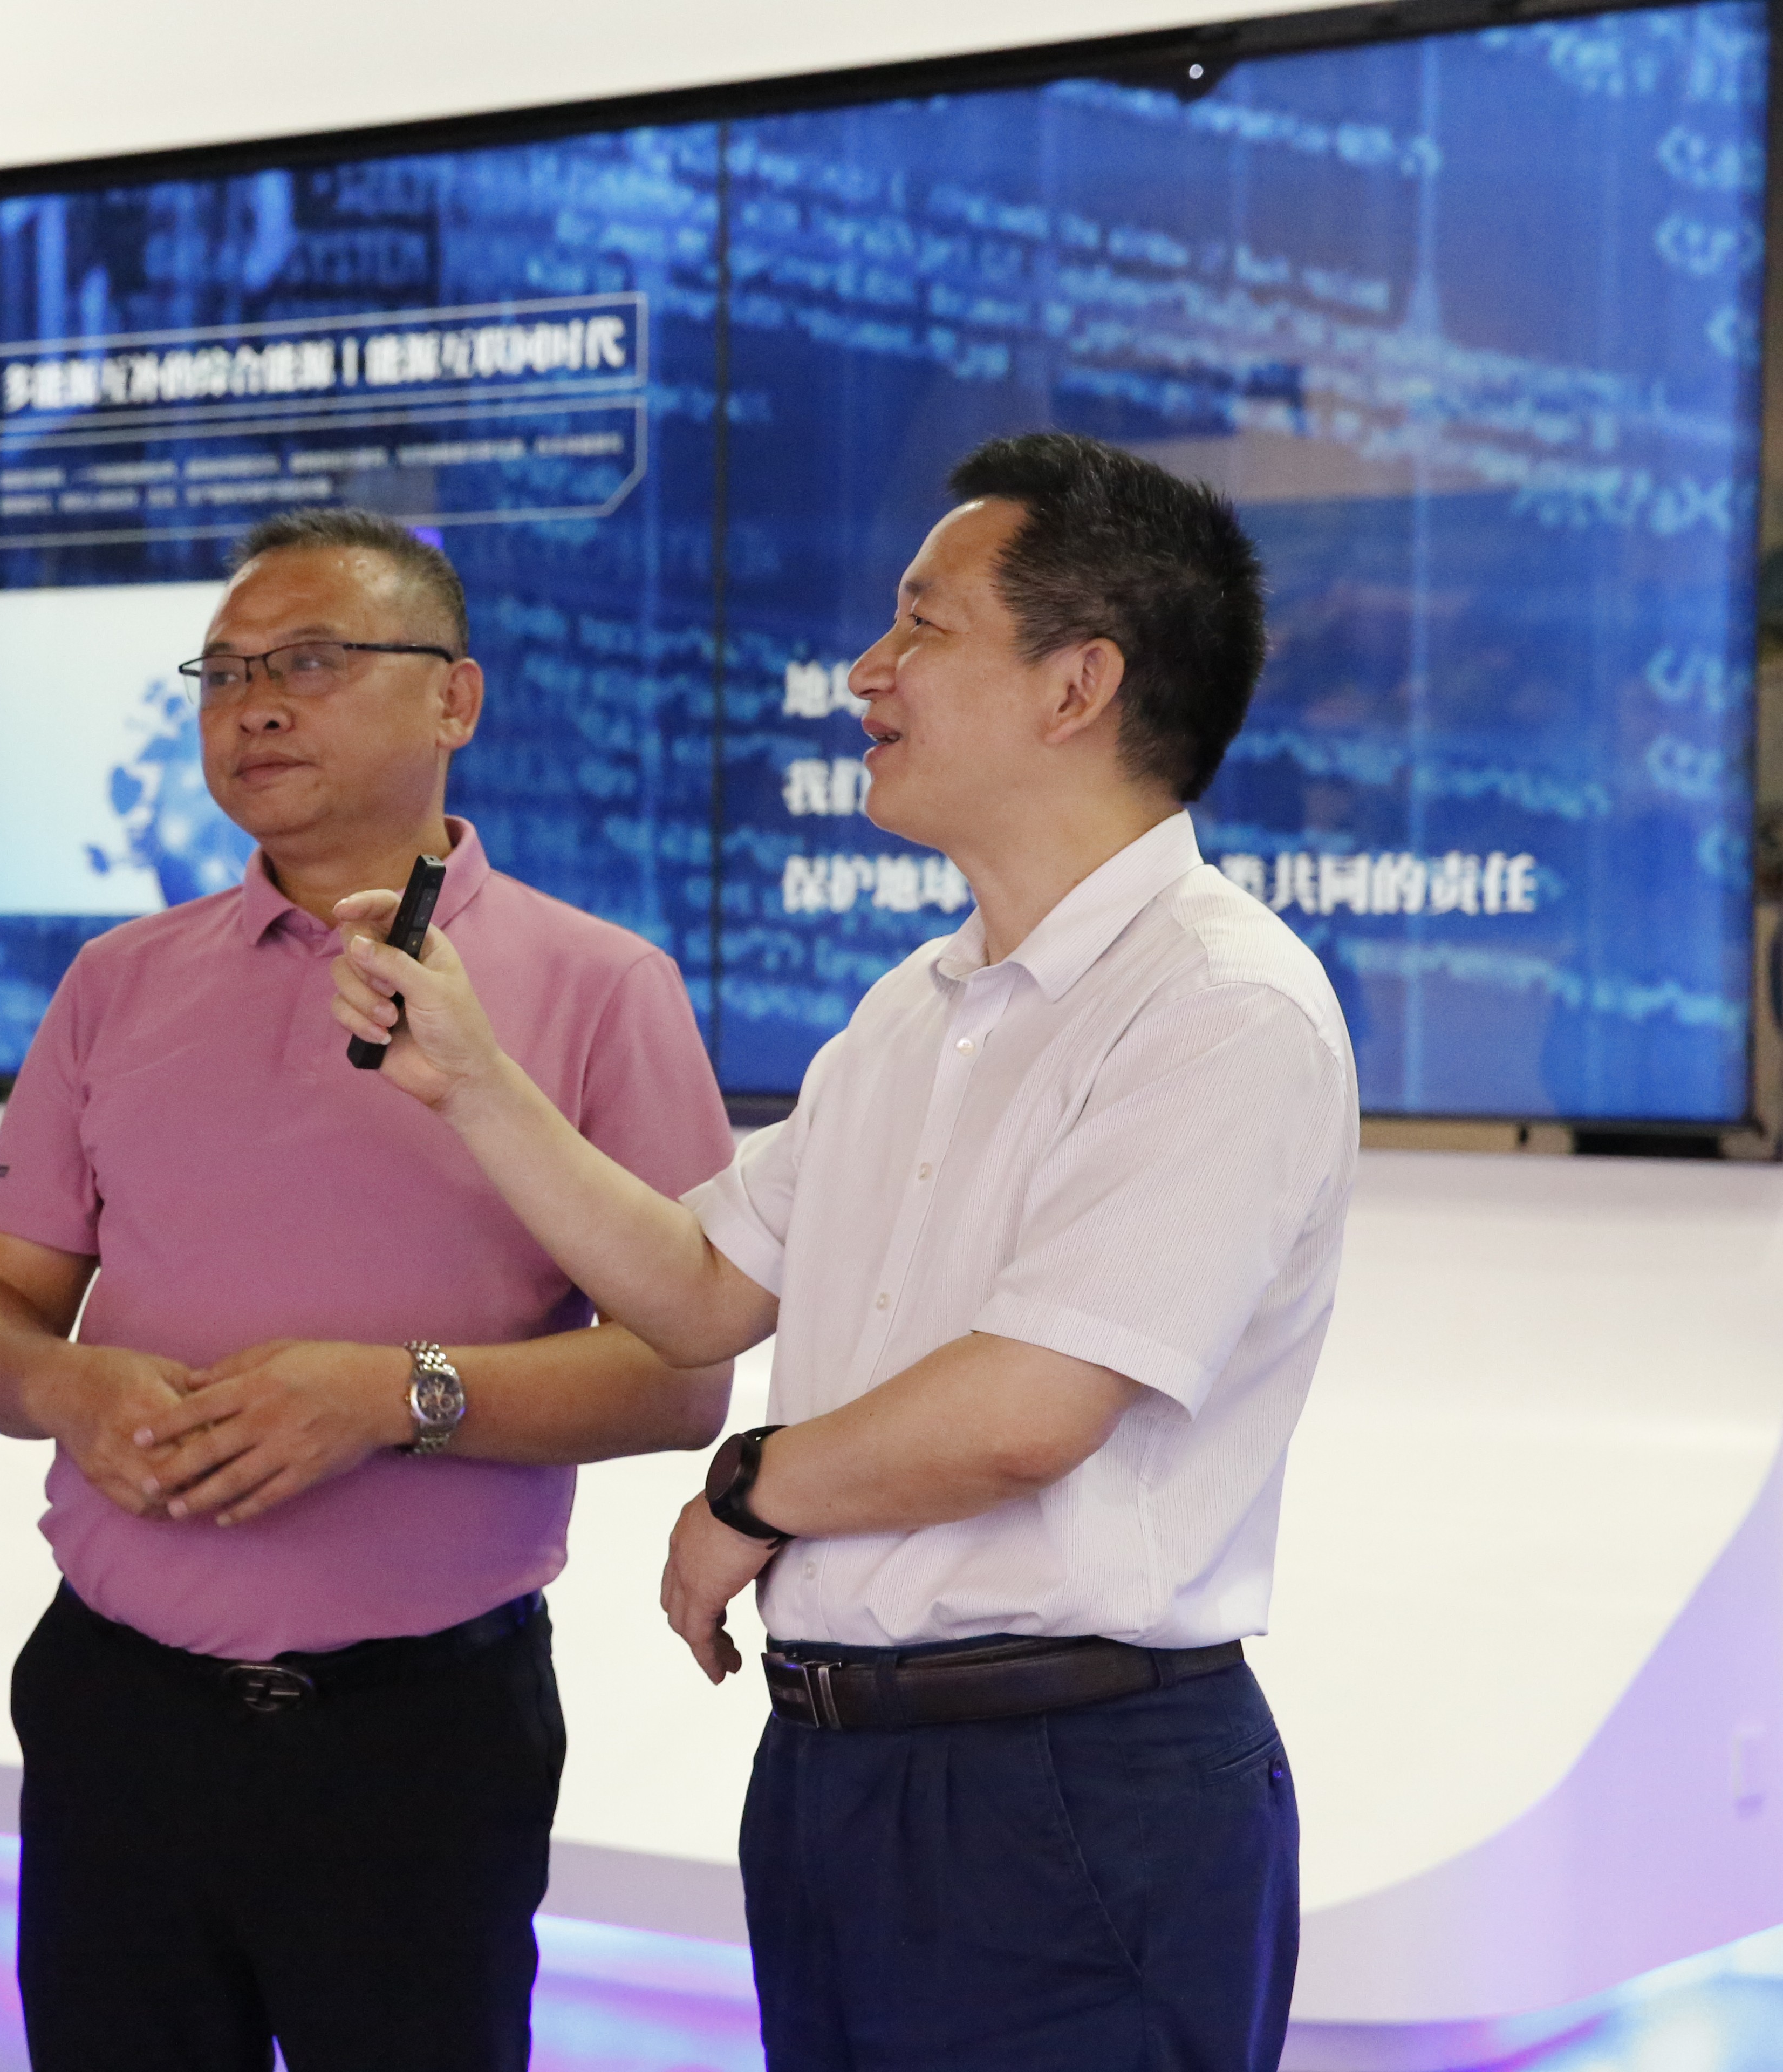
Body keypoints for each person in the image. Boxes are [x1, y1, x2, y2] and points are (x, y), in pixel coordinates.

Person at [331, 433, 1354, 2071]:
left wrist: (748, 1495)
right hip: (834, 1769)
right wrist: (472, 1080)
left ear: (1078, 685)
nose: (865, 672)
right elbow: (696, 1289)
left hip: (1074, 1785)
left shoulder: (1219, 1006)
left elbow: (1028, 1408)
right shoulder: (913, 1009)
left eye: (922, 626)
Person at [0, 505, 737, 2072]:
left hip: (417, 1740)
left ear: (455, 699)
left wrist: (390, 1398)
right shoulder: (117, 980)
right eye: (224, 673)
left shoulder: (601, 987)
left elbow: (682, 1375)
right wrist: (65, 1384)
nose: (255, 707)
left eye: (309, 662)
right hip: (114, 1711)